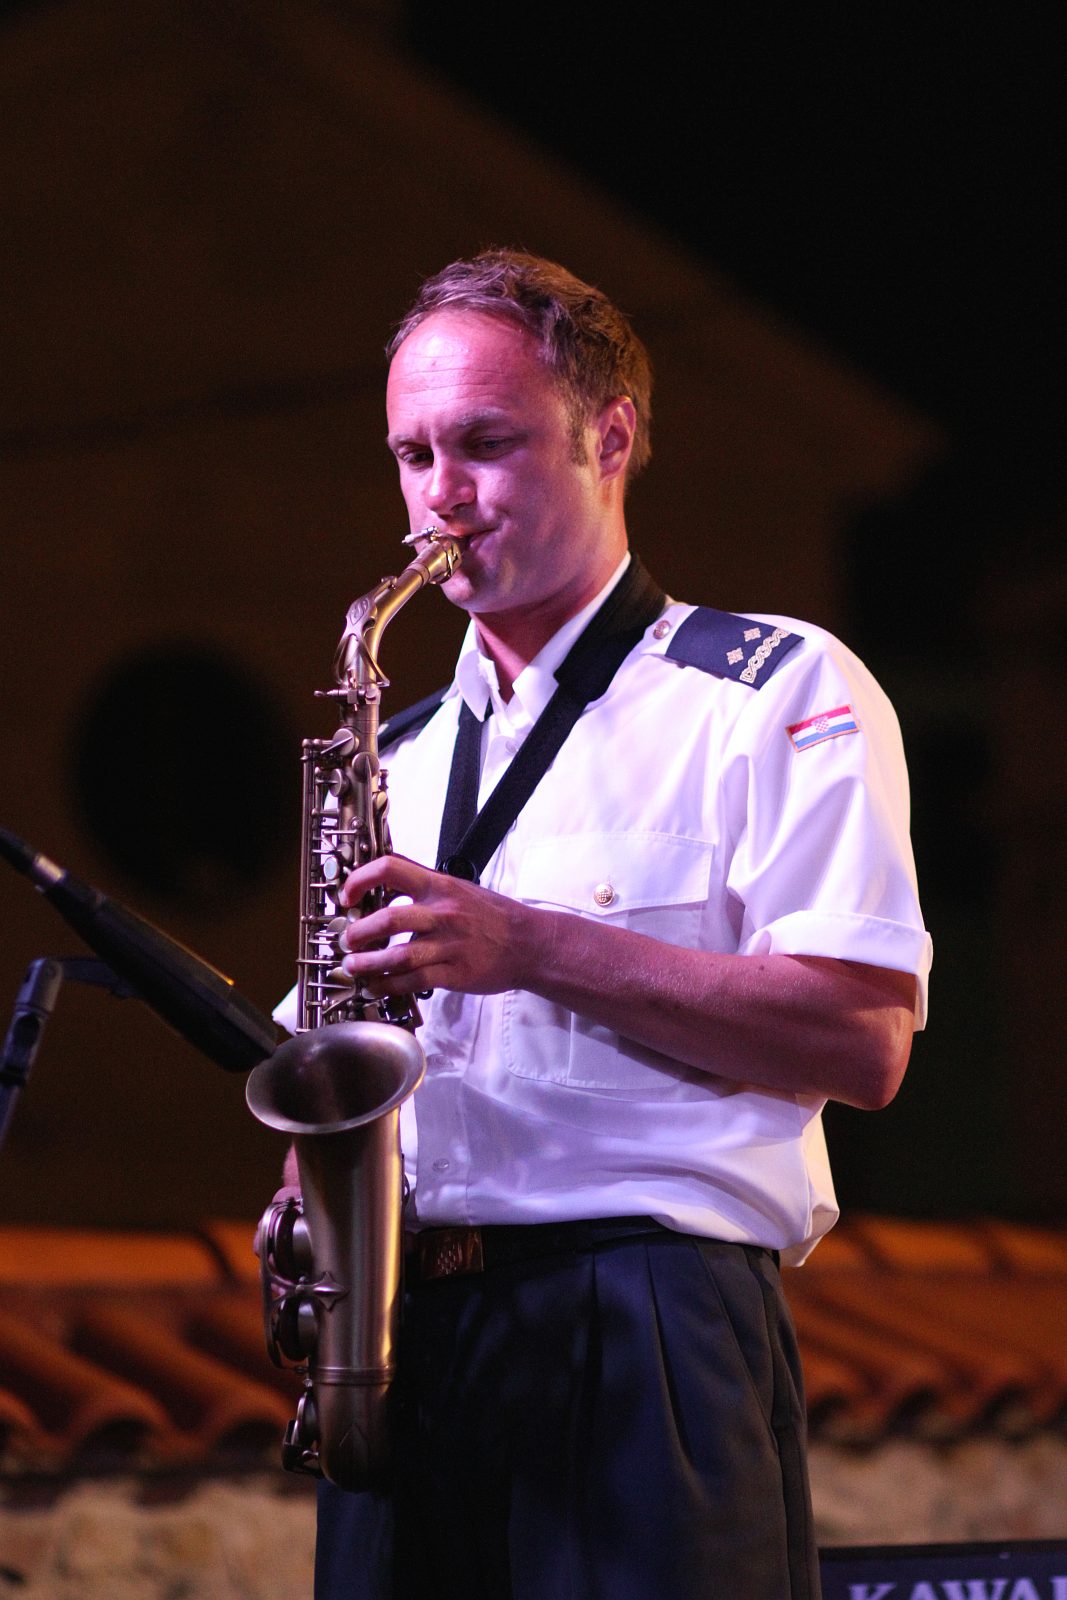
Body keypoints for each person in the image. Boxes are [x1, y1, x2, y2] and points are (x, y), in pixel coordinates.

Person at [291, 249, 932, 1600]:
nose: (440, 495)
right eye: (412, 454)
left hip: (647, 1323)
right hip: (408, 1341)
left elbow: (862, 1039)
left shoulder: (773, 690)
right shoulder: (392, 756)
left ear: (613, 439)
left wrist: (529, 946)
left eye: (486, 444)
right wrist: (314, 1187)